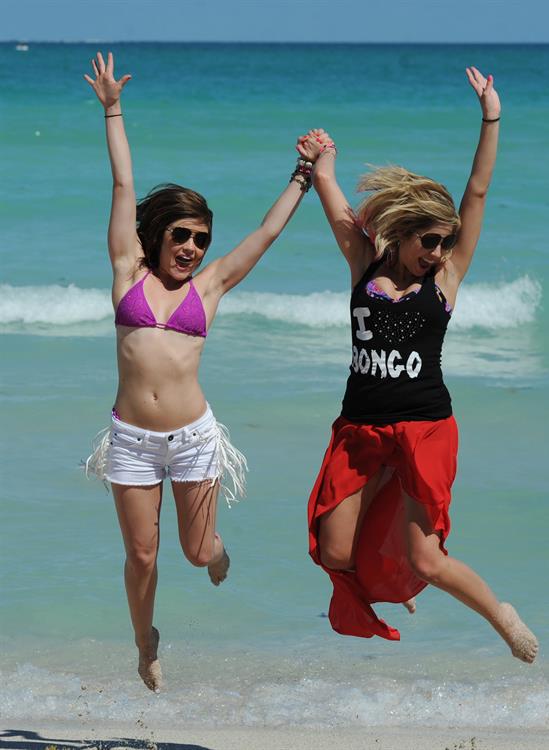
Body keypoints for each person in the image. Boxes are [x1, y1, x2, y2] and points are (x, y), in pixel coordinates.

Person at [83, 52, 321, 692]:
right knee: (141, 555)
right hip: (131, 441)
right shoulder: (127, 274)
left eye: (201, 239)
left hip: (192, 437)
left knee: (195, 552)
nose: (192, 248)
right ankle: (144, 644)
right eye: (182, 235)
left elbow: (266, 235)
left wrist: (303, 175)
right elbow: (123, 187)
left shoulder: (208, 289)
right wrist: (113, 108)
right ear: (158, 236)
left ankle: (217, 550)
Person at [299, 67, 538, 663]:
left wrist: (491, 116)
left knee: (427, 560)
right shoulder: (362, 265)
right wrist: (323, 162)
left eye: (442, 243)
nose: (436, 253)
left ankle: (502, 617)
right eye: (427, 241)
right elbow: (332, 203)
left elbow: (476, 192)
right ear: (401, 234)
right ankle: (391, 574)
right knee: (333, 551)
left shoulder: (446, 279)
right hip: (360, 431)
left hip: (425, 429)